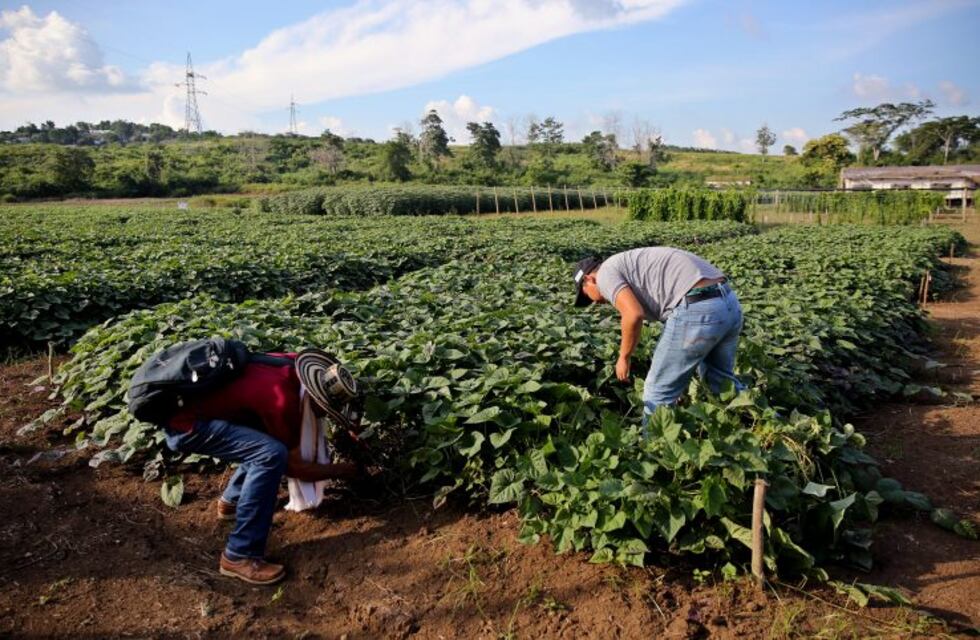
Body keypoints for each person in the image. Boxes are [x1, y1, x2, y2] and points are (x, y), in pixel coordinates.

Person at [163, 350, 360, 585]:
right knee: (270, 454)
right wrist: (343, 471)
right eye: (326, 411)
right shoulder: (283, 402)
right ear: (316, 398)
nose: (324, 417)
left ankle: (231, 503)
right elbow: (294, 468)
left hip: (193, 405)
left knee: (262, 440)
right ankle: (239, 554)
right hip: (185, 423)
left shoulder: (292, 364)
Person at [572, 247, 745, 423]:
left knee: (657, 391)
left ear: (589, 279)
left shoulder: (605, 274)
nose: (596, 303)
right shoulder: (626, 262)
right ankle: (769, 425)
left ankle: (655, 448)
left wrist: (624, 357)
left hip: (698, 308)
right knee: (721, 382)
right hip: (728, 302)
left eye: (588, 297)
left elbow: (633, 315)